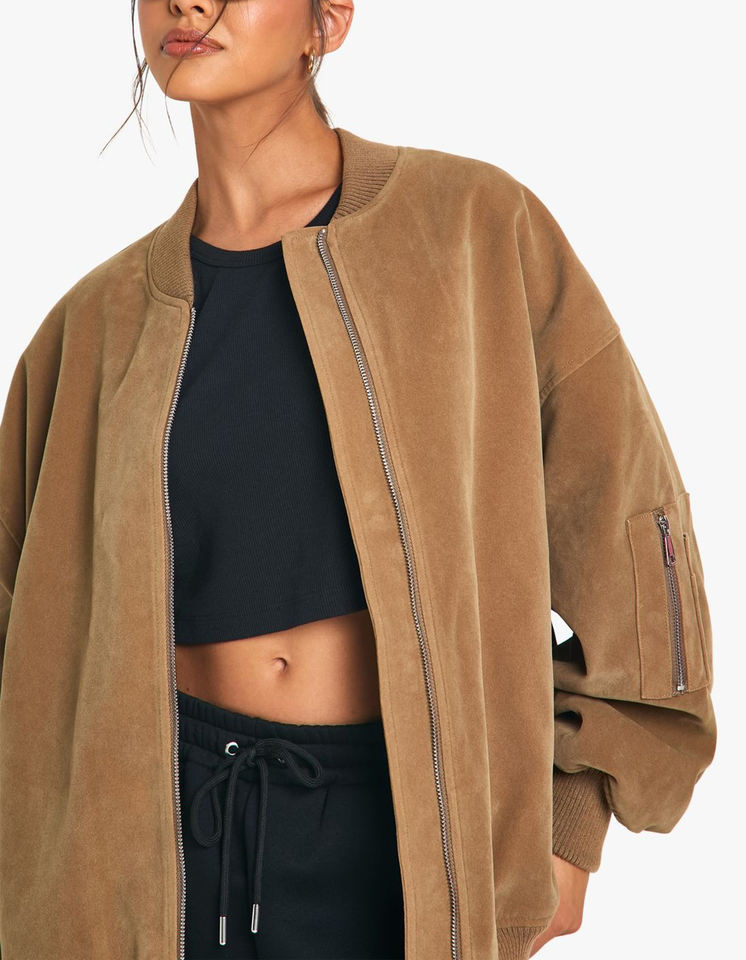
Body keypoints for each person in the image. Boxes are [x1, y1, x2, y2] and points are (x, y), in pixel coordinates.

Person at [0, 1, 717, 959]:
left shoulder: (473, 231)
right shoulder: (90, 329)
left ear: (327, 19)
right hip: (151, 849)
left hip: (404, 845)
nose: (189, 2)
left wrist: (571, 818)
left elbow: (630, 522)